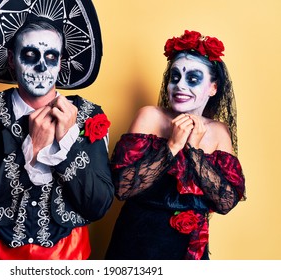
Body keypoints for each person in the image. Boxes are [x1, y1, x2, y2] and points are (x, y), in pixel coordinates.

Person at [0, 0, 114, 260]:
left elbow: (98, 205)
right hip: (0, 257)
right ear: (11, 59)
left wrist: (67, 144)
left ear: (61, 63)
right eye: (30, 55)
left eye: (51, 57)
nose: (42, 66)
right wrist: (30, 151)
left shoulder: (89, 115)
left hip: (68, 256)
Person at [105, 30, 246, 260]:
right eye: (175, 77)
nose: (180, 86)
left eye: (193, 78)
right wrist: (172, 146)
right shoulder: (149, 117)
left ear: (213, 87)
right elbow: (122, 188)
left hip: (188, 248)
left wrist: (193, 151)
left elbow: (226, 202)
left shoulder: (219, 132)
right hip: (137, 244)